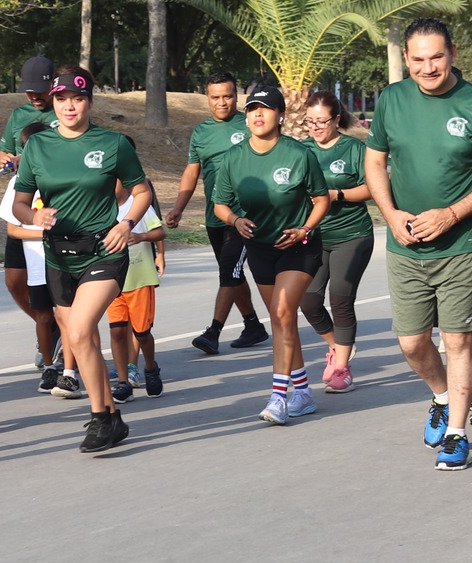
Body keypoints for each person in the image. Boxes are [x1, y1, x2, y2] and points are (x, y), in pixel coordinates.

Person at [364, 20, 472, 470]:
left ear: (453, 54)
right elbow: (375, 162)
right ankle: (442, 396)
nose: (428, 67)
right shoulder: (392, 100)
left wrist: (451, 214)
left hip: (462, 243)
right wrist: (391, 215)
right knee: (411, 342)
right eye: (419, 59)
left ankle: (457, 434)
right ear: (406, 58)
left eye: (436, 57)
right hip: (405, 243)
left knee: (457, 338)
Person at [13, 67, 155, 456]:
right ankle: (112, 415)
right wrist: (35, 217)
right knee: (85, 336)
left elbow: (142, 192)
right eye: (61, 99)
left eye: (77, 98)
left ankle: (100, 418)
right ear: (53, 102)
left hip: (104, 251)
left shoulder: (112, 144)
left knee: (76, 332)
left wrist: (126, 223)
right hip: (59, 256)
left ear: (89, 101)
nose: (69, 106)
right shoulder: (37, 146)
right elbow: (20, 204)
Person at [213, 80, 330, 424]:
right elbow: (220, 205)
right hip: (260, 248)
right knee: (283, 320)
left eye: (265, 109)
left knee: (280, 312)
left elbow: (321, 200)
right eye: (252, 109)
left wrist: (305, 229)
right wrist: (236, 220)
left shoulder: (299, 154)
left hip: (299, 246)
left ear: (280, 115)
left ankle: (279, 397)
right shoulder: (233, 158)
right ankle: (303, 392)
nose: (258, 115)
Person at [167, 73, 268, 355]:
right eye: (215, 97)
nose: (222, 102)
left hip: (246, 215)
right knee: (232, 272)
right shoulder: (201, 132)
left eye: (227, 96)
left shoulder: (250, 123)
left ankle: (213, 332)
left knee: (228, 270)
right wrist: (178, 208)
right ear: (207, 98)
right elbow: (192, 171)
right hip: (215, 216)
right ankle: (253, 325)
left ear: (236, 96)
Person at [298, 91, 376, 393]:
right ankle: (339, 345)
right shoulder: (300, 149)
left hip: (351, 234)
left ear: (336, 119)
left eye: (321, 121)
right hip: (313, 236)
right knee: (308, 301)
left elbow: (372, 188)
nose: (315, 127)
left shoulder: (353, 148)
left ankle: (342, 367)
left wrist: (336, 195)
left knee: (340, 299)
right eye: (310, 121)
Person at [0, 55, 60, 375]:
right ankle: (48, 328)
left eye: (40, 91)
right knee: (14, 281)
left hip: (50, 202)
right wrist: (7, 159)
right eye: (29, 91)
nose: (34, 97)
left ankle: (55, 333)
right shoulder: (18, 115)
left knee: (57, 290)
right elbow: (3, 151)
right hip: (22, 203)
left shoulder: (63, 110)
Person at [106, 206, 165, 401]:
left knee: (142, 333)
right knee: (117, 331)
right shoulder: (100, 204)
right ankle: (123, 382)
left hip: (140, 279)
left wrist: (142, 238)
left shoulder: (139, 205)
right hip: (112, 279)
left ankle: (151, 368)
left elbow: (159, 232)